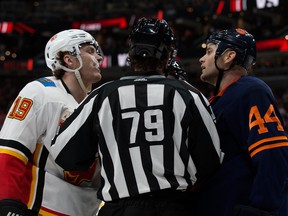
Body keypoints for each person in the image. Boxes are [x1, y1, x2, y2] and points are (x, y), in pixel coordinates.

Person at [50, 17, 222, 216]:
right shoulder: (188, 94)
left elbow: (65, 154)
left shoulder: (104, 95)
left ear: (131, 54)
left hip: (121, 208)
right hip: (175, 207)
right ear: (167, 56)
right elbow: (211, 160)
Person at [0, 29, 103, 215]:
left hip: (88, 208)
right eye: (90, 50)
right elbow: (10, 153)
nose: (99, 57)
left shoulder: (99, 103)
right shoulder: (40, 92)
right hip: (41, 208)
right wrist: (9, 203)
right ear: (69, 59)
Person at [197, 28, 288, 216]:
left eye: (209, 51)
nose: (201, 59)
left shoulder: (251, 91)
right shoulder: (220, 100)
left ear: (229, 56)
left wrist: (261, 209)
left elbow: (271, 154)